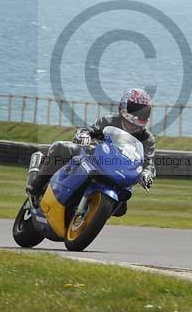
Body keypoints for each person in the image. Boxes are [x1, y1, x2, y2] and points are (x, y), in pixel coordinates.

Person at [27, 88, 157, 216]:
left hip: (120, 172)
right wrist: (84, 135)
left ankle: (89, 213)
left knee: (121, 209)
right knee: (61, 147)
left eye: (144, 111)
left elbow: (148, 161)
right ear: (124, 106)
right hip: (94, 158)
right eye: (136, 108)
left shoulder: (147, 138)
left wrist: (147, 173)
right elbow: (89, 130)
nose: (139, 114)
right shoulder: (109, 121)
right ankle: (36, 188)